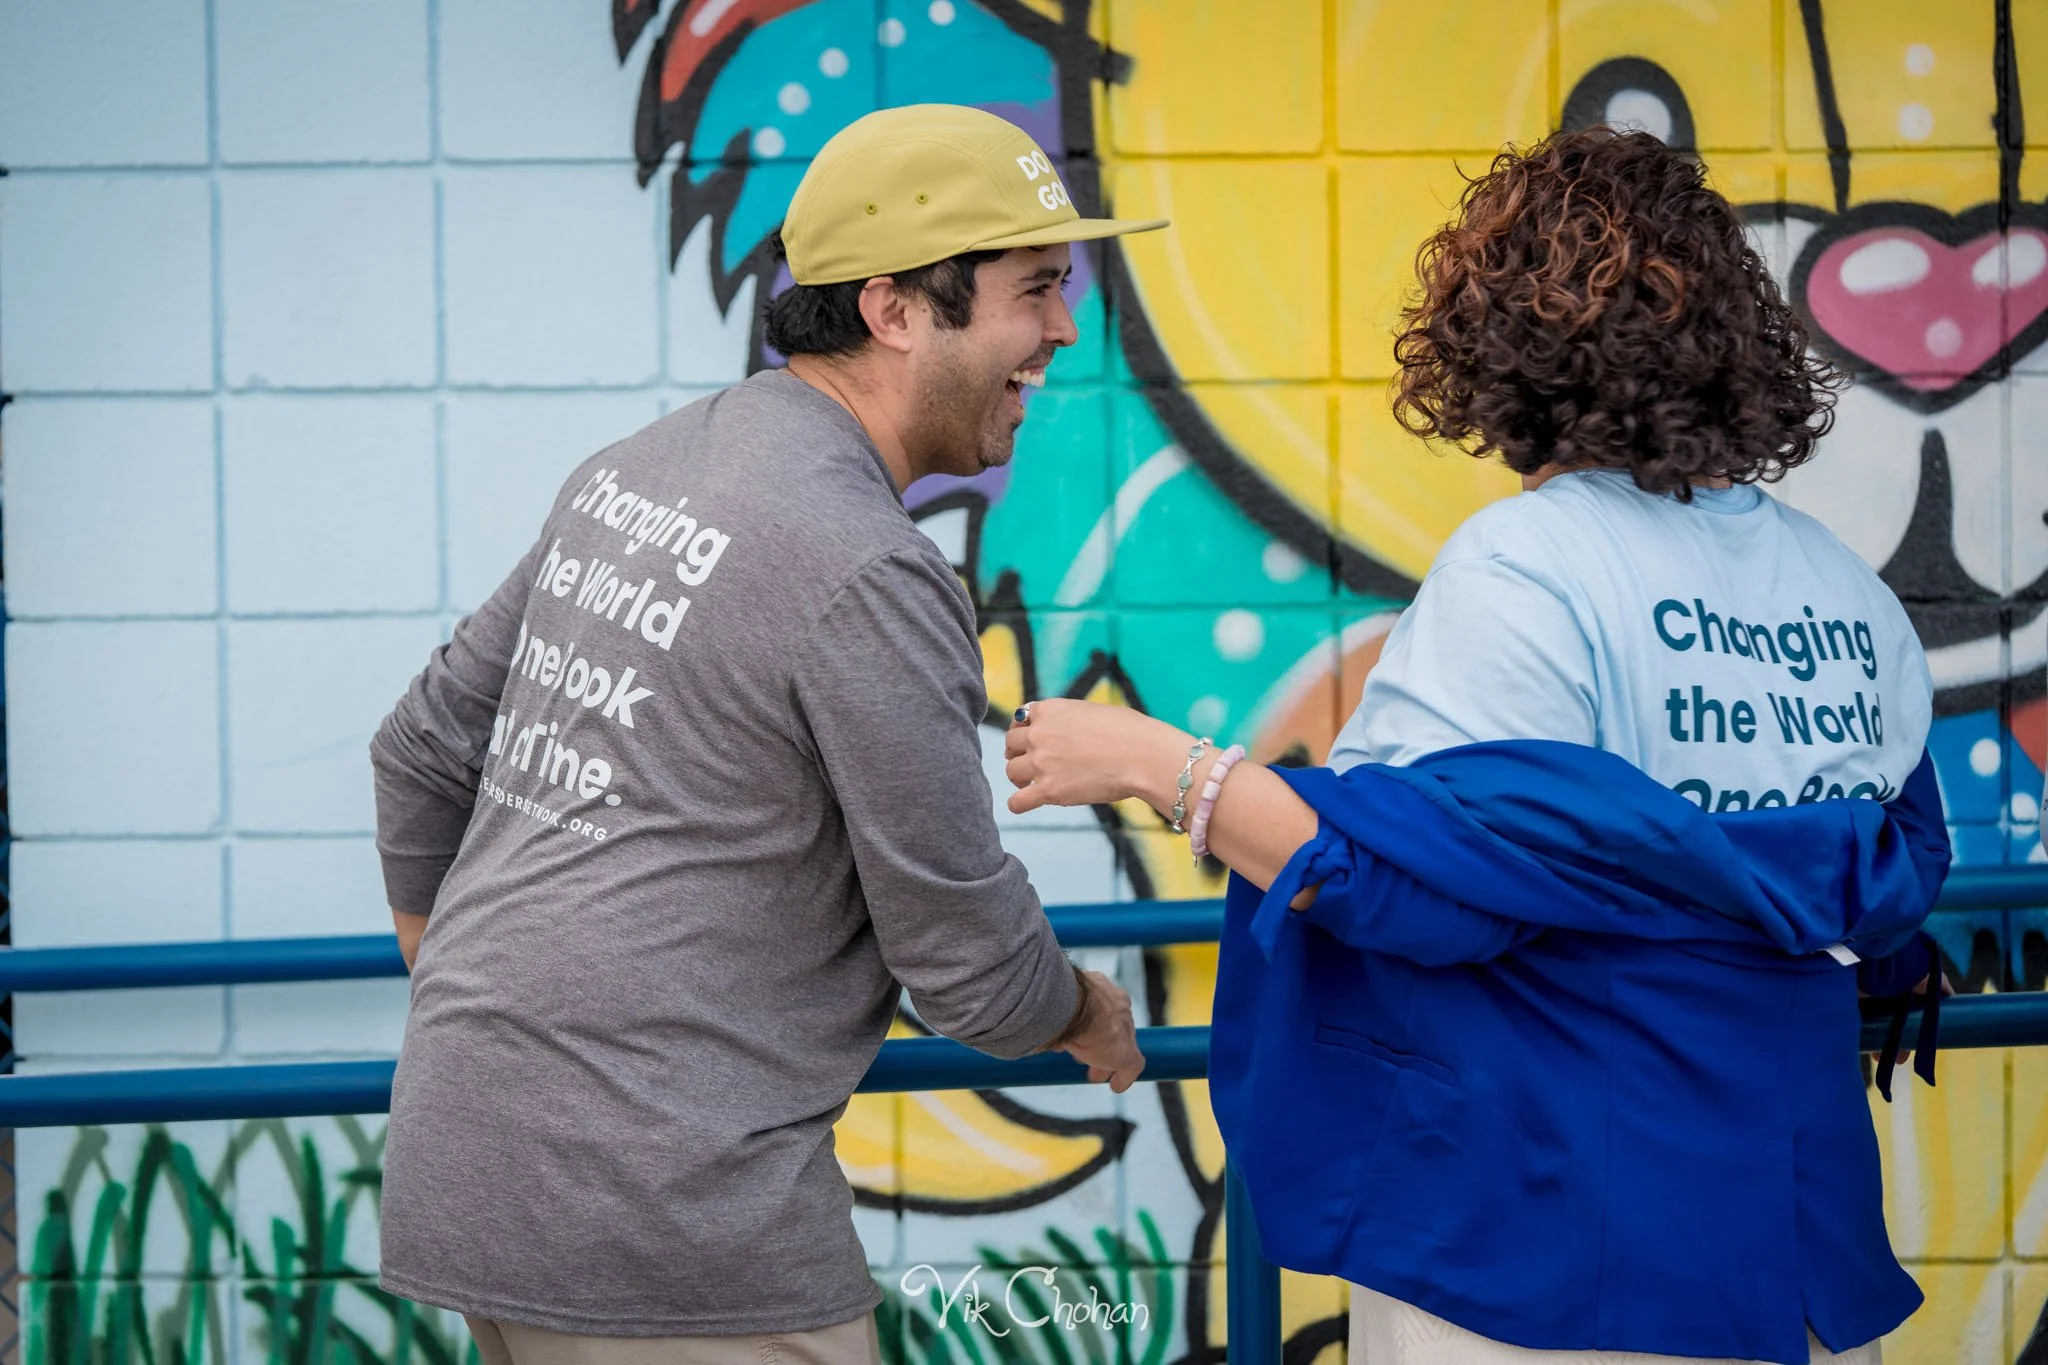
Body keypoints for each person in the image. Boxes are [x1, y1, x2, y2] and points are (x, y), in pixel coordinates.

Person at [1000, 128, 1949, 1365]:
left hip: (1553, 1247)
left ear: (1498, 345)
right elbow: (1867, 891)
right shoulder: (1849, 595)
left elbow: (1409, 882)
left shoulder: (1530, 566)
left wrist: (1150, 762)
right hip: (1795, 1255)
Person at [368, 104, 1165, 1365]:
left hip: (480, 1164)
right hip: (667, 1213)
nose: (1063, 328)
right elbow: (962, 959)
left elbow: (418, 748)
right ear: (893, 308)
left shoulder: (644, 467)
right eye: (1034, 289)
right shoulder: (865, 567)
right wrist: (1080, 1011)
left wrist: (491, 1025)